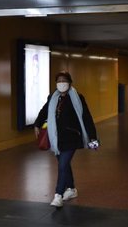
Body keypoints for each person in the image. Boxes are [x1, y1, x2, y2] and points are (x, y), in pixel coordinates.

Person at [34, 71, 99, 207]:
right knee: (64, 165)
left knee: (62, 164)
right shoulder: (53, 97)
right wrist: (37, 124)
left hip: (72, 137)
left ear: (70, 82)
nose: (61, 83)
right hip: (56, 138)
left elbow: (86, 117)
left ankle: (58, 194)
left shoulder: (77, 98)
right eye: (59, 80)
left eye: (64, 80)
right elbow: (45, 110)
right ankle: (71, 189)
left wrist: (93, 137)